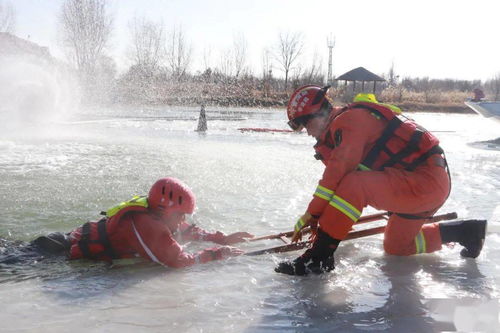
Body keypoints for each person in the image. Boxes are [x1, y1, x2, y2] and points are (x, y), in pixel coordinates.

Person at [275, 85, 487, 276]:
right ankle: (466, 232)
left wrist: (312, 214)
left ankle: (318, 258)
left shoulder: (350, 121)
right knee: (396, 247)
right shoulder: (342, 126)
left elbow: (337, 175)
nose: (307, 132)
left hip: (423, 183)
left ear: (318, 114)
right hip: (419, 185)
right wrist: (318, 216)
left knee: (354, 184)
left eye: (305, 124)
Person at [27, 177, 253, 268]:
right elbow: (177, 263)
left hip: (57, 244)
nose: (184, 219)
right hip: (50, 253)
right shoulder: (147, 225)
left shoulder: (155, 213)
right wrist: (218, 253)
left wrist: (221, 237)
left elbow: (186, 230)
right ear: (166, 210)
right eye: (181, 214)